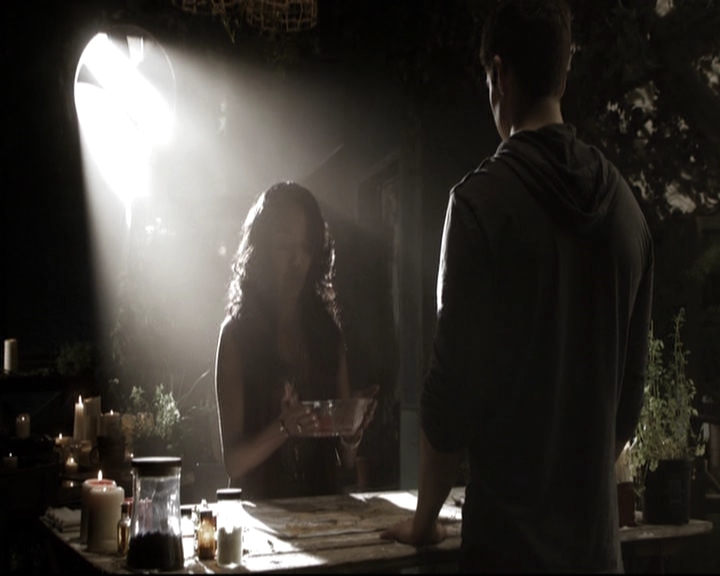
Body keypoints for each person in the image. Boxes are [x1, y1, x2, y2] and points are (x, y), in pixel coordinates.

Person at [381, 0, 654, 572]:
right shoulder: (628, 214)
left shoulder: (478, 205)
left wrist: (424, 523)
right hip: (596, 557)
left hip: (507, 553)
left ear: (499, 74)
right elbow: (628, 402)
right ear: (563, 74)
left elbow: (449, 396)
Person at [215, 181, 377, 501]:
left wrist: (352, 431)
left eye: (306, 247)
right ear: (260, 250)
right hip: (258, 517)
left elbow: (345, 460)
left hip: (323, 512)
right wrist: (284, 427)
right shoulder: (236, 336)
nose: (298, 260)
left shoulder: (327, 334)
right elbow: (234, 463)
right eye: (284, 246)